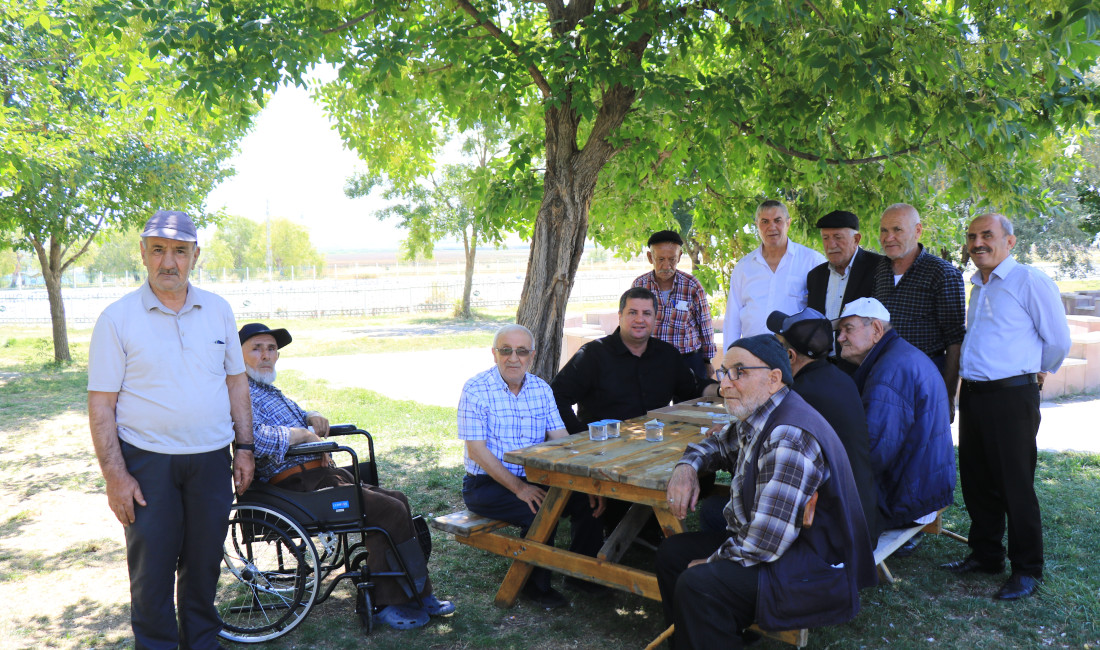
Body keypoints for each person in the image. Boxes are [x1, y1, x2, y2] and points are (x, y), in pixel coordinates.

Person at [87, 210, 254, 649]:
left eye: (180, 251)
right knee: (152, 571)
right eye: (158, 249)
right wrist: (115, 476)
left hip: (211, 458)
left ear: (195, 256)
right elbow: (101, 403)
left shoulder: (218, 309)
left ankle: (202, 642)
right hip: (146, 463)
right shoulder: (117, 318)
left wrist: (245, 448)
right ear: (142, 253)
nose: (168, 262)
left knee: (202, 567)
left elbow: (236, 381)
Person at [656, 335, 876, 648]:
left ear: (774, 378)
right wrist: (687, 467)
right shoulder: (763, 412)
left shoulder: (788, 436)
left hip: (810, 567)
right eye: (723, 372)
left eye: (739, 373)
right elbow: (720, 443)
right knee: (673, 555)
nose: (724, 385)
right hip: (784, 548)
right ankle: (696, 640)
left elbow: (764, 542)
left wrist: (711, 562)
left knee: (698, 582)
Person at [239, 322, 454, 629]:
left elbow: (300, 421)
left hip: (319, 475)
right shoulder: (239, 392)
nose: (266, 355)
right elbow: (253, 439)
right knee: (387, 511)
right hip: (295, 487)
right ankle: (388, 602)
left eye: (271, 348)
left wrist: (310, 416)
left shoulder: (267, 389)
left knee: (397, 501)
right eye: (256, 349)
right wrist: (301, 434)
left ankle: (418, 593)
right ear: (239, 355)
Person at [941, 214, 1071, 601]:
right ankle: (986, 555)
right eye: (972, 236)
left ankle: (1027, 569)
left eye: (987, 235)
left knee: (1015, 485)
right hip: (976, 395)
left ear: (1010, 242)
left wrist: (1040, 369)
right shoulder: (978, 284)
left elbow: (1058, 339)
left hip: (1012, 396)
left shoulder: (1028, 280)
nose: (978, 242)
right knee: (978, 481)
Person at [458, 324, 606, 609]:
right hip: (485, 485)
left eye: (522, 351)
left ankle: (581, 575)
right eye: (506, 350)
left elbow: (561, 441)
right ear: (494, 354)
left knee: (588, 503)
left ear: (532, 356)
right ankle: (533, 587)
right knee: (539, 508)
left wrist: (584, 482)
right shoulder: (476, 389)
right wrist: (520, 489)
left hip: (535, 478)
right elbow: (477, 451)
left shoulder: (540, 388)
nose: (513, 358)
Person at [834, 297, 956, 547]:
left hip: (912, 499)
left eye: (848, 329)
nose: (840, 339)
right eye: (840, 331)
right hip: (924, 487)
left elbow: (874, 452)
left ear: (877, 330)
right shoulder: (896, 355)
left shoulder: (888, 372)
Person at [767, 308, 879, 540]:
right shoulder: (840, 379)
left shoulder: (799, 395)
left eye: (778, 345)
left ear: (790, 356)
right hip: (860, 518)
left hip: (833, 534)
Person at [552, 287, 717, 434]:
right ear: (620, 316)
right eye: (632, 313)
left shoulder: (667, 355)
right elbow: (556, 397)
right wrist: (578, 434)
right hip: (602, 451)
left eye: (646, 313)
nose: (640, 319)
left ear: (654, 318)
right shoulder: (592, 355)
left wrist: (722, 390)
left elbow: (694, 388)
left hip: (655, 445)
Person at [872, 203, 965, 417]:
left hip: (924, 378)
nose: (888, 237)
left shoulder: (942, 273)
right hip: (882, 378)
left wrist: (948, 396)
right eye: (884, 230)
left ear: (918, 230)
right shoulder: (879, 270)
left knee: (924, 446)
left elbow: (955, 340)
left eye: (897, 229)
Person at [722, 200, 826, 345]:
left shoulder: (812, 261)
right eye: (765, 221)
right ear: (757, 225)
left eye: (778, 220)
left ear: (788, 223)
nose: (772, 227)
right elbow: (732, 318)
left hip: (795, 355)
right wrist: (729, 360)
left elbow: (822, 313)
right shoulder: (743, 267)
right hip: (753, 355)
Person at [632, 229, 718, 380]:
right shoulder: (640, 285)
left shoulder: (692, 285)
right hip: (650, 360)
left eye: (672, 259)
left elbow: (705, 326)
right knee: (654, 404)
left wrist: (707, 361)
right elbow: (630, 323)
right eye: (660, 259)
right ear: (650, 257)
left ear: (679, 256)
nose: (666, 266)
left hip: (688, 360)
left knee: (691, 403)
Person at [806, 210, 886, 369]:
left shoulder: (879, 268)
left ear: (856, 239)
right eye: (825, 238)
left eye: (837, 237)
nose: (831, 245)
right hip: (822, 367)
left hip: (864, 366)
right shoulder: (815, 276)